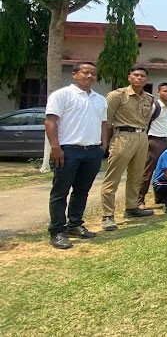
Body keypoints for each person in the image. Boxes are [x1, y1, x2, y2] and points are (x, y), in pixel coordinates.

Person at [45, 61, 108, 249]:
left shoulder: (99, 99)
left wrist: (103, 145)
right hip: (68, 151)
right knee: (60, 192)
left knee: (82, 191)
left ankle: (75, 224)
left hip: (92, 151)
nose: (89, 76)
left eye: (93, 74)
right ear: (75, 74)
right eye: (85, 72)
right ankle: (57, 230)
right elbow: (50, 121)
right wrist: (55, 147)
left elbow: (103, 123)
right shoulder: (62, 95)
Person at [101, 66, 155, 231]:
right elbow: (107, 120)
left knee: (137, 175)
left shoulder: (149, 98)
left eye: (142, 76)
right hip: (123, 136)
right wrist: (105, 142)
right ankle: (108, 215)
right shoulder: (117, 96)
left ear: (146, 79)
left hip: (142, 137)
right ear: (129, 77)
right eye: (136, 75)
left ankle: (131, 207)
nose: (139, 78)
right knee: (113, 178)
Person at [139, 82, 167, 209]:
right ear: (158, 92)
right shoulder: (154, 106)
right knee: (147, 171)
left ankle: (160, 196)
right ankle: (140, 200)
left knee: (165, 171)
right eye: (165, 91)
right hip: (154, 141)